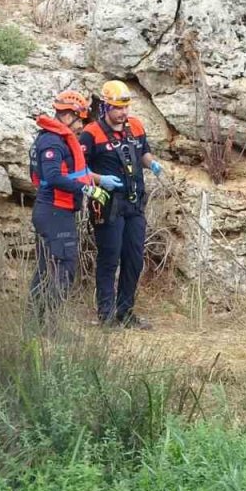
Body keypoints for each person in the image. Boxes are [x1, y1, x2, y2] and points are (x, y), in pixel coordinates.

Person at [28, 90, 122, 333]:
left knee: (46, 268)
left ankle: (35, 325)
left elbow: (75, 172)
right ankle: (51, 328)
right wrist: (87, 191)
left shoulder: (60, 139)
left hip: (55, 212)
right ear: (67, 115)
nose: (81, 125)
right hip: (54, 212)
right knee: (62, 268)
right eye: (79, 119)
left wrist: (98, 182)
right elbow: (53, 176)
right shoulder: (52, 141)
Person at [79, 80, 165, 330]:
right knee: (110, 257)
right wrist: (99, 179)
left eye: (126, 107)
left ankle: (125, 311)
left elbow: (143, 152)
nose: (123, 113)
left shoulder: (135, 126)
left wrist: (152, 164)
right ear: (105, 107)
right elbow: (79, 168)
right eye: (118, 108)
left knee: (134, 258)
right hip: (108, 205)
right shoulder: (91, 133)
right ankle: (105, 314)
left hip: (135, 202)